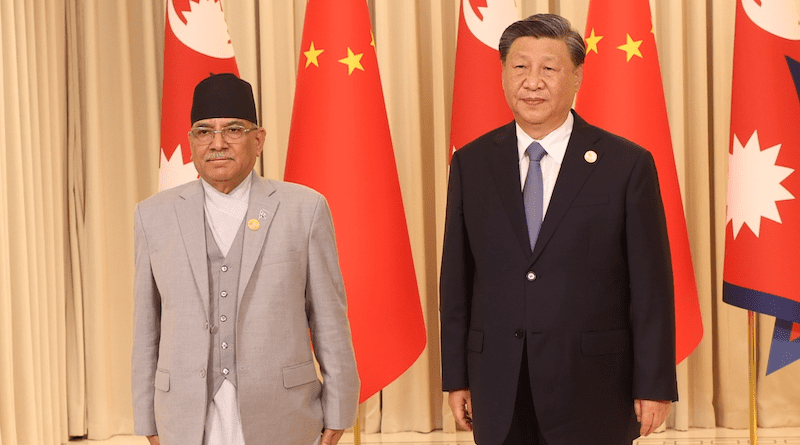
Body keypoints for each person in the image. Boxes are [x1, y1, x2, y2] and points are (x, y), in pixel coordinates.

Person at [440, 14, 678, 445]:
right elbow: (456, 281)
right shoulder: (471, 164)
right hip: (498, 382)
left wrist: (655, 383)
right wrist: (456, 377)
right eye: (519, 66)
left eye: (548, 68)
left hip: (594, 385)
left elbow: (652, 286)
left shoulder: (626, 164)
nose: (532, 82)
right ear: (503, 74)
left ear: (577, 77)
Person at [131, 73, 359, 445]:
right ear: (191, 144)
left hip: (285, 415)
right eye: (204, 132)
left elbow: (330, 319)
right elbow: (145, 328)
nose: (217, 143)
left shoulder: (305, 209)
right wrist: (148, 421)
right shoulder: (152, 216)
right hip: (185, 420)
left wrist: (340, 409)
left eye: (233, 130)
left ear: (259, 140)